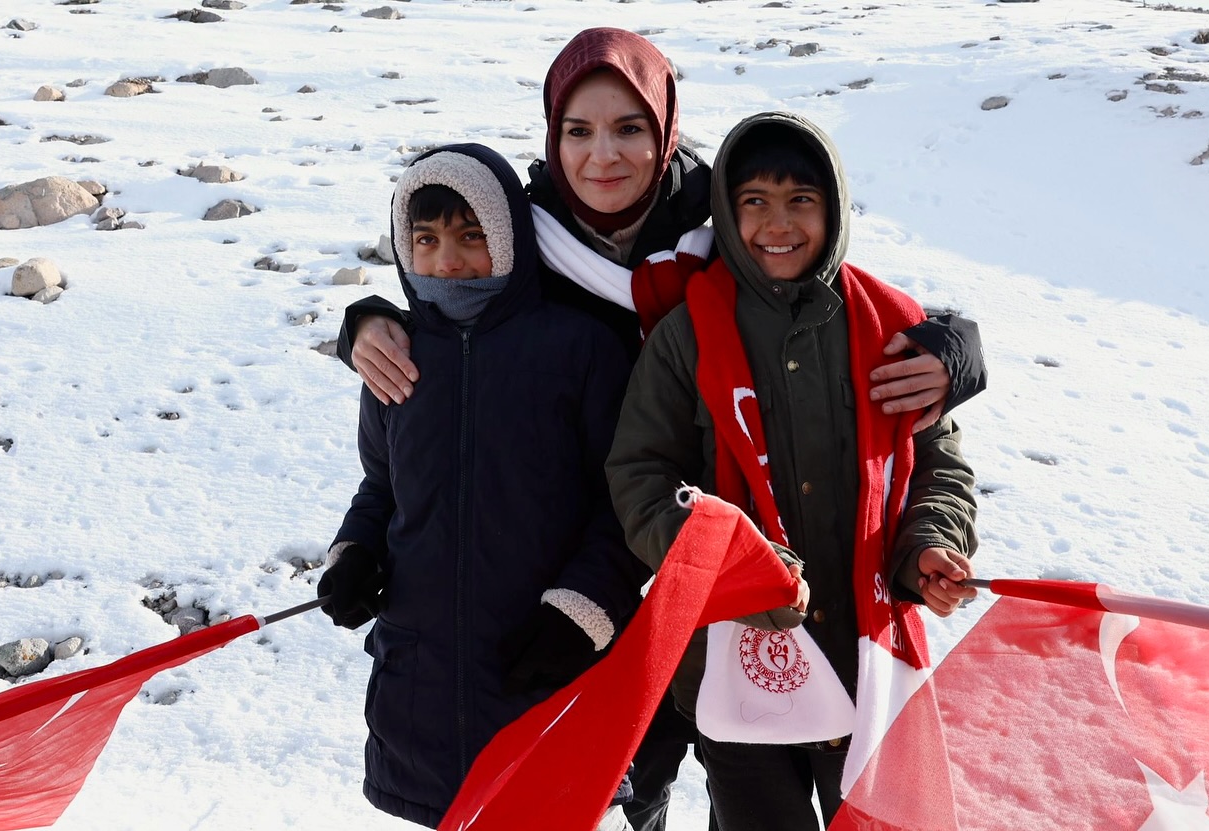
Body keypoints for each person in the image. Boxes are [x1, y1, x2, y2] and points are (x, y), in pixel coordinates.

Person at [333, 28, 987, 831]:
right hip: (592, 553)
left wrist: (953, 346)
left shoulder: (724, 221)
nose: (602, 155)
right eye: (578, 131)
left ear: (665, 126)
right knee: (637, 772)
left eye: (628, 127)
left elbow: (829, 299)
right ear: (552, 136)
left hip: (731, 567)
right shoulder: (524, 236)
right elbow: (449, 290)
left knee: (726, 759)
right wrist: (365, 321)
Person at [604, 110, 980, 831]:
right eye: (755, 202)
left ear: (833, 208)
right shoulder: (691, 334)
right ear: (727, 211)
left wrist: (927, 542)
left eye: (800, 201)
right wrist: (728, 564)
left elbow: (937, 461)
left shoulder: (891, 331)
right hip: (735, 669)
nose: (778, 224)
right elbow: (641, 475)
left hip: (868, 659)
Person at [317, 143, 648, 831]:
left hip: (546, 670)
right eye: (427, 239)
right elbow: (382, 485)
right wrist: (353, 553)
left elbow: (625, 507)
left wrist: (581, 612)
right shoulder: (396, 354)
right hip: (423, 691)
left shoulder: (578, 349)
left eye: (472, 237)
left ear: (510, 238)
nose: (448, 260)